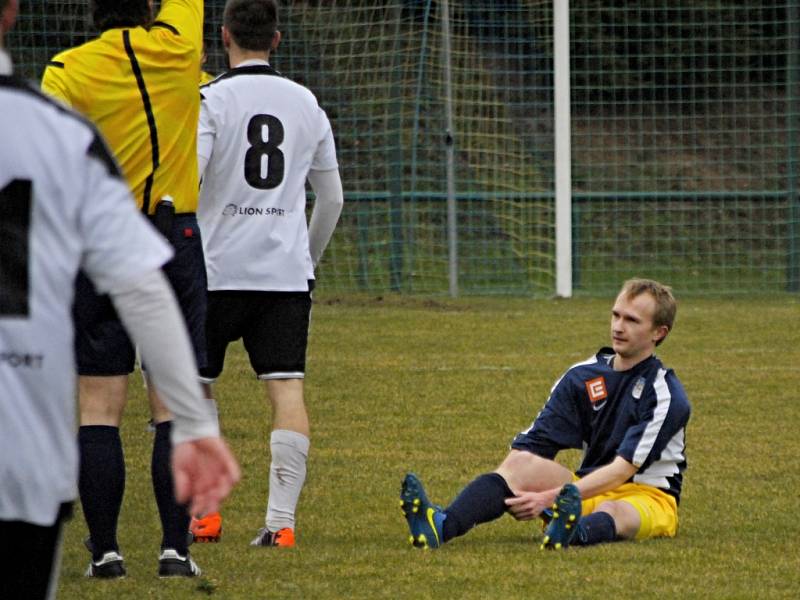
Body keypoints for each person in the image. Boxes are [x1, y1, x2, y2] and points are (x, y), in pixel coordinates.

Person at [0, 0, 240, 597]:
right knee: (168, 407)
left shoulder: (66, 73)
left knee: (99, 405)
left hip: (92, 239)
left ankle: (105, 551)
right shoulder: (180, 47)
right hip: (172, 238)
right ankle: (174, 550)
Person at [190, 0, 343, 548]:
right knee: (286, 389)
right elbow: (331, 199)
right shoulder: (305, 101)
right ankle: (280, 524)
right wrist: (308, 260)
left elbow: (192, 179)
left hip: (213, 270)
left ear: (224, 36)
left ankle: (204, 513)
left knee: (194, 388)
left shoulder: (209, 100)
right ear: (276, 39)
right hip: (282, 275)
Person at [401, 278, 691, 550]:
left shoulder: (665, 393)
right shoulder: (582, 376)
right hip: (584, 491)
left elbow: (622, 471)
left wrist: (546, 499)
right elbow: (534, 444)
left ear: (658, 332)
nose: (618, 326)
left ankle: (574, 531)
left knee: (612, 510)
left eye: (631, 320)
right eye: (616, 315)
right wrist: (517, 484)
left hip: (647, 499)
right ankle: (440, 525)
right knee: (521, 463)